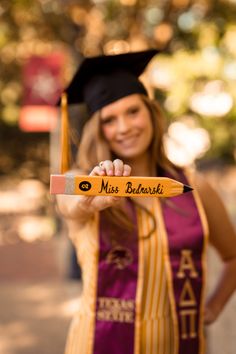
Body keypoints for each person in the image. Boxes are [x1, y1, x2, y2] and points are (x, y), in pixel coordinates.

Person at [55, 49, 236, 354]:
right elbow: (67, 200)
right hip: (97, 344)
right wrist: (90, 200)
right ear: (98, 130)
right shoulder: (81, 180)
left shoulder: (192, 187)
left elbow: (233, 257)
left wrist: (215, 306)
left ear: (151, 113)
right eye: (109, 120)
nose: (124, 127)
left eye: (133, 111)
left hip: (180, 344)